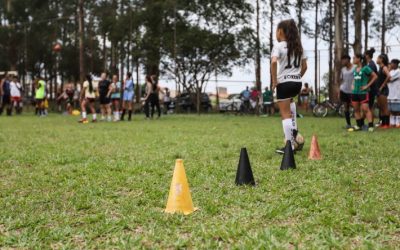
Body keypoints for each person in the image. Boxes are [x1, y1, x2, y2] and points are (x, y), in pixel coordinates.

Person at [271, 19, 307, 154]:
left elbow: (274, 62)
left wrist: (275, 81)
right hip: (297, 83)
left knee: (285, 114)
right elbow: (305, 66)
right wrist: (296, 77)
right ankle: (294, 133)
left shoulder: (279, 46)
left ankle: (289, 145)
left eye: (276, 30)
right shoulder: (298, 47)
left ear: (280, 31)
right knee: (291, 104)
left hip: (284, 83)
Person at [348, 54, 378, 132]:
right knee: (356, 109)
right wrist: (352, 85)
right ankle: (358, 126)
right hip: (355, 92)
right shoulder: (355, 69)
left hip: (363, 92)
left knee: (365, 109)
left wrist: (367, 86)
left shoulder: (366, 68)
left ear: (359, 59)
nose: (353, 59)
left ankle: (370, 126)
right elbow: (354, 79)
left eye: (354, 58)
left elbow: (375, 76)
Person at [375, 54, 391, 128]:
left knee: (385, 107)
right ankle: (382, 123)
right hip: (379, 90)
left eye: (378, 58)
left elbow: (389, 76)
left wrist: (382, 86)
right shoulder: (380, 68)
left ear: (381, 59)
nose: (376, 59)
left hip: (383, 90)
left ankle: (386, 124)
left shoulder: (384, 67)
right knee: (381, 107)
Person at [339, 55, 355, 129]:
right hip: (344, 90)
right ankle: (348, 124)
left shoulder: (355, 67)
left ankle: (360, 123)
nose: (342, 62)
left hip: (353, 91)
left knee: (356, 107)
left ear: (348, 60)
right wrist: (339, 90)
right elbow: (341, 80)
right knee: (346, 107)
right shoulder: (343, 69)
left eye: (343, 60)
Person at [364, 48, 378, 126]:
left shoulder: (371, 64)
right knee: (369, 106)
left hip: (371, 88)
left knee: (370, 106)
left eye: (364, 54)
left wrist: (366, 84)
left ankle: (371, 123)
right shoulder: (369, 64)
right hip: (371, 88)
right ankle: (370, 122)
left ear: (367, 55)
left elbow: (371, 76)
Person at [388, 59, 400, 127]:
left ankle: (398, 122)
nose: (390, 65)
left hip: (397, 92)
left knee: (398, 109)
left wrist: (387, 79)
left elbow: (390, 79)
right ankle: (392, 122)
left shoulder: (398, 71)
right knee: (391, 109)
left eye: (391, 63)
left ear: (395, 64)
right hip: (390, 92)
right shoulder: (391, 71)